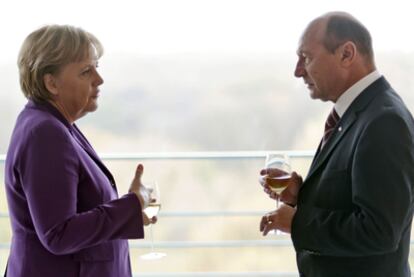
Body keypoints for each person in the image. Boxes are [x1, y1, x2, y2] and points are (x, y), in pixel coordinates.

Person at [259, 11, 414, 277]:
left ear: (346, 54)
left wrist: (298, 223)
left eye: (306, 58)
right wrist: (301, 194)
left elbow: (379, 231)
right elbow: (351, 197)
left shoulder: (383, 122)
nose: (297, 71)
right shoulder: (359, 113)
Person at [4, 25, 156, 277]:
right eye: (86, 71)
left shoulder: (55, 125)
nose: (99, 79)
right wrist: (131, 207)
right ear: (51, 83)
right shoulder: (46, 133)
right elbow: (58, 233)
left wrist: (132, 209)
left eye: (97, 67)